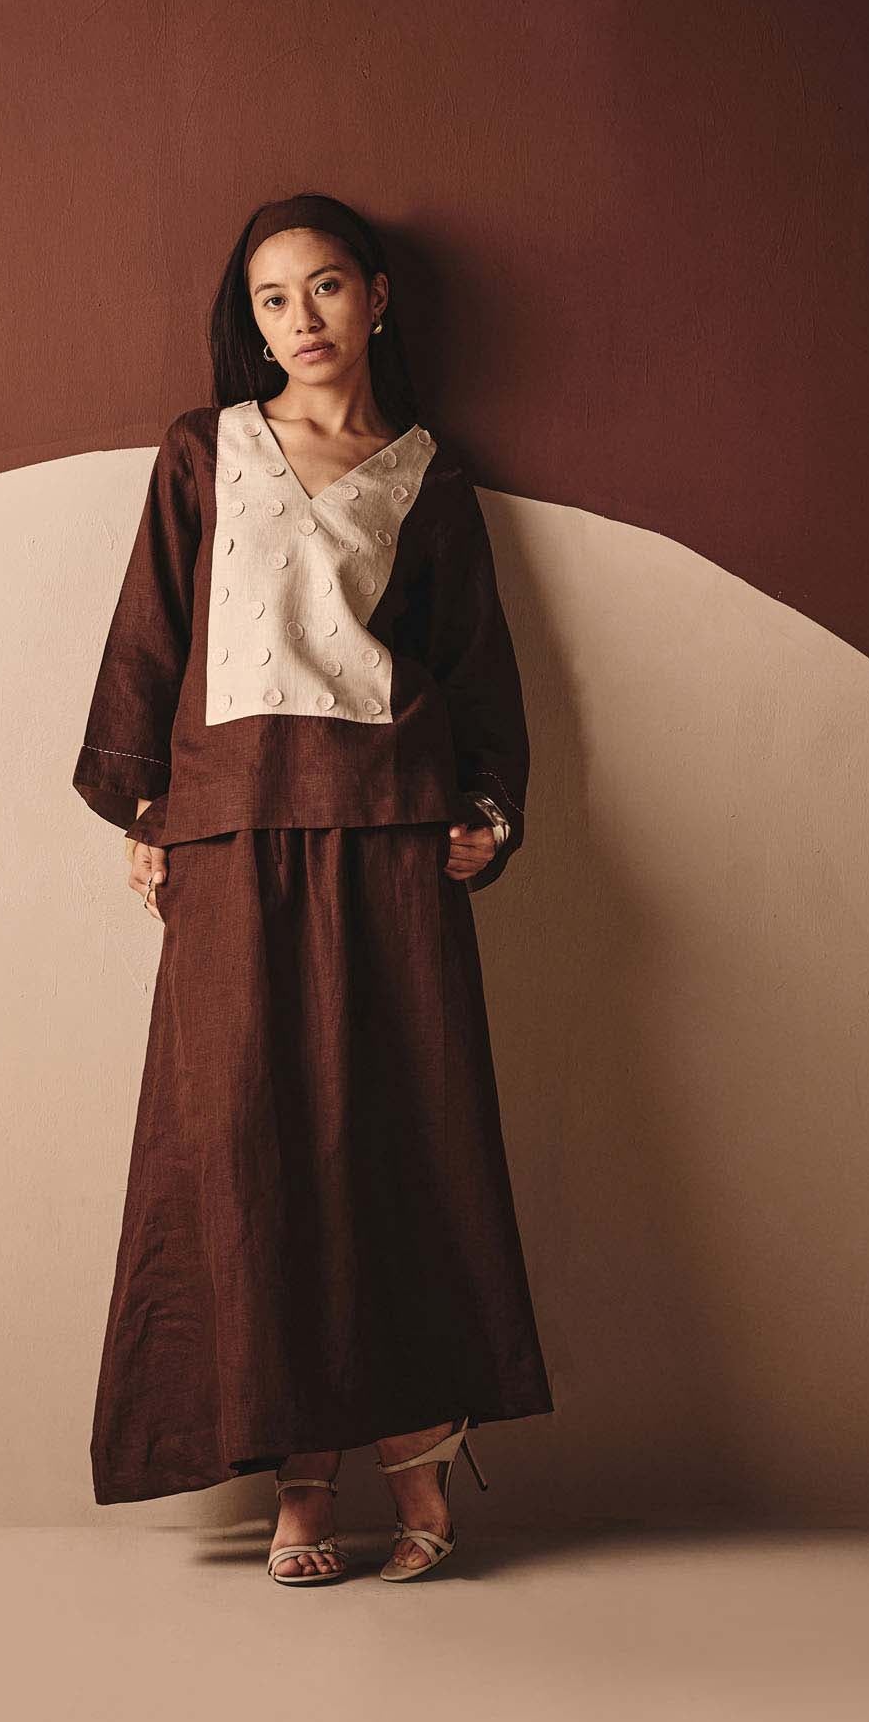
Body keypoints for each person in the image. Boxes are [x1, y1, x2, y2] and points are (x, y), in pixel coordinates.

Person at [72, 192, 553, 1584]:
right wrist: (147, 807)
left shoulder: (428, 476)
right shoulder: (205, 451)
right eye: (274, 298)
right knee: (248, 1147)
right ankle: (298, 1478)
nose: (302, 319)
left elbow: (475, 666)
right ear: (253, 320)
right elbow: (150, 633)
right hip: (231, 834)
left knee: (397, 1140)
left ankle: (420, 1463)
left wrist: (489, 812)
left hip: (390, 837)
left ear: (377, 298)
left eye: (327, 287)